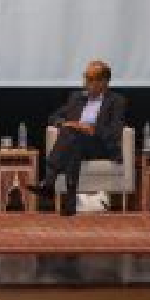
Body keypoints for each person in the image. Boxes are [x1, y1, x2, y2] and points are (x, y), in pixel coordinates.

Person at [27, 60, 127, 216]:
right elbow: (53, 117)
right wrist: (65, 124)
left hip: (100, 146)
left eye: (90, 79)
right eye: (85, 77)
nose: (85, 83)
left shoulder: (116, 101)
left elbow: (115, 132)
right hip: (77, 143)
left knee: (72, 135)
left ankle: (49, 182)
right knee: (73, 138)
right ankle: (70, 202)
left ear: (103, 82)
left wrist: (92, 129)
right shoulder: (77, 98)